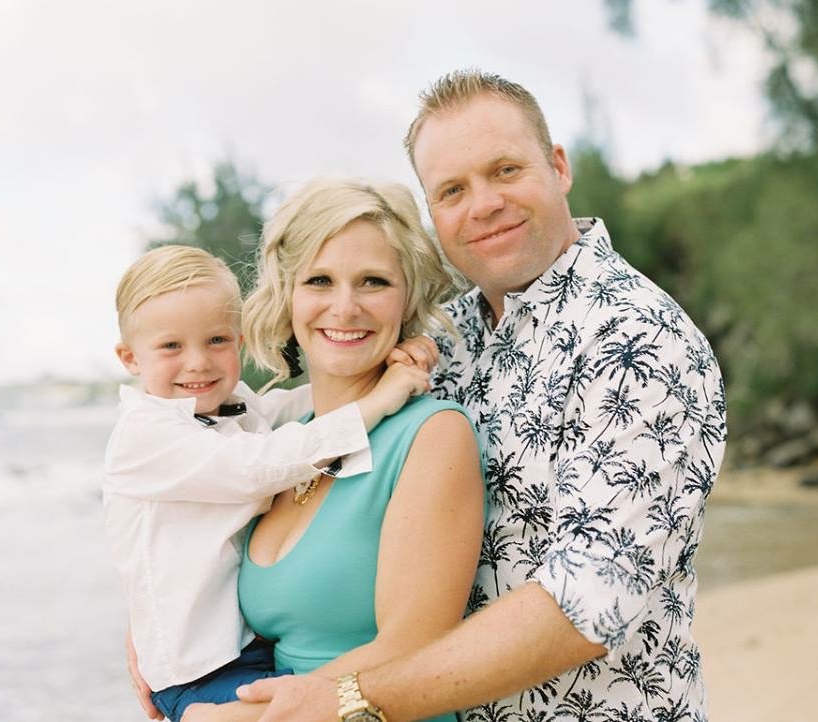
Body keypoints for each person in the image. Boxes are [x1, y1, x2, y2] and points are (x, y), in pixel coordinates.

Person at [236, 70, 728, 721]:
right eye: (452, 190)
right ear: (434, 211)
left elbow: (581, 611)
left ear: (558, 167)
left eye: (505, 170)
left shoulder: (637, 340)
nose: (484, 204)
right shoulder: (449, 339)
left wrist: (350, 697)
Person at [159, 177, 486, 722]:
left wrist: (216, 717)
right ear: (287, 297)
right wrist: (155, 642)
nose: (345, 306)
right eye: (319, 280)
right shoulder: (281, 445)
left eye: (373, 282)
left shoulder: (431, 435)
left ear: (406, 300)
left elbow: (411, 651)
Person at [104, 245, 437, 722]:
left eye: (217, 340)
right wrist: (382, 400)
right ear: (130, 358)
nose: (198, 362)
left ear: (239, 341)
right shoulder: (145, 437)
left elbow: (302, 409)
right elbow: (260, 465)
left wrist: (378, 369)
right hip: (198, 671)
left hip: (248, 649)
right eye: (172, 347)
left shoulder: (229, 404)